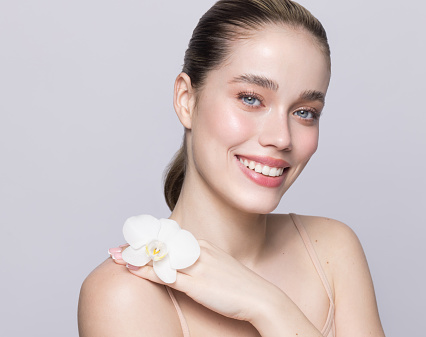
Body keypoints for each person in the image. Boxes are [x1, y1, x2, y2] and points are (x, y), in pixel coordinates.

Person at [78, 0, 385, 336]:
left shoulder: (333, 250)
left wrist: (267, 305)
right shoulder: (126, 295)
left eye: (305, 112)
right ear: (186, 100)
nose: (281, 138)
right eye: (251, 98)